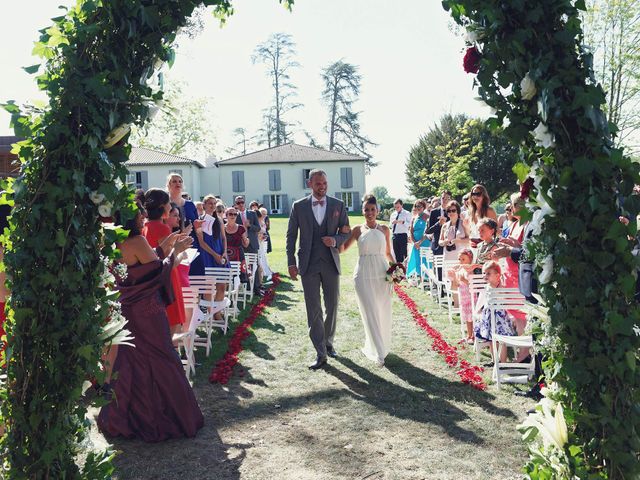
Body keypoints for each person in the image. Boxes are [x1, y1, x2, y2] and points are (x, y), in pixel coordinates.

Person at [97, 206, 204, 442]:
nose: (143, 216)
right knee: (161, 355)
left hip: (126, 310)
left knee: (129, 360)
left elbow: (141, 268)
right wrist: (175, 251)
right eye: (139, 214)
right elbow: (158, 273)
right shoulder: (136, 240)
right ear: (129, 218)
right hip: (148, 311)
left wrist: (164, 247)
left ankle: (124, 416)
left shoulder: (111, 244)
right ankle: (170, 415)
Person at [286, 169, 350, 370]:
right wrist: (291, 262)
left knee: (332, 306)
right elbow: (290, 236)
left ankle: (328, 342)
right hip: (308, 264)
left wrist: (335, 240)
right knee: (313, 309)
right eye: (318, 184)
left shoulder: (338, 205)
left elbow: (346, 232)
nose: (322, 187)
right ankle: (320, 352)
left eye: (324, 184)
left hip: (331, 263)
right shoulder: (298, 207)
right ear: (309, 184)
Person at [340, 195, 394, 367]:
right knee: (369, 312)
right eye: (366, 210)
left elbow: (388, 253)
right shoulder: (357, 230)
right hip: (363, 274)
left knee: (382, 310)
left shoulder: (385, 229)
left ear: (377, 210)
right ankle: (379, 353)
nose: (370, 213)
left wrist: (396, 268)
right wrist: (339, 234)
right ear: (362, 211)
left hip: (381, 274)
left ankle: (382, 346)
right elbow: (342, 249)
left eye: (372, 209)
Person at [142, 189, 187, 336]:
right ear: (162, 205)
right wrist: (181, 253)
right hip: (167, 282)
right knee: (170, 331)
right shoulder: (161, 228)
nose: (170, 206)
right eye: (168, 203)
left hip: (153, 281)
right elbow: (169, 263)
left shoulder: (145, 226)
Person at [473, 261, 516, 364]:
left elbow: (506, 301)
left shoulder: (501, 287)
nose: (485, 275)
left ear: (497, 275)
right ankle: (494, 360)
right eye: (484, 273)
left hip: (500, 317)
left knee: (501, 341)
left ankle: (503, 361)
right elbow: (482, 300)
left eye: (488, 273)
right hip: (488, 316)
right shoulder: (487, 287)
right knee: (490, 340)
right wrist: (478, 310)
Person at [235, 195, 263, 296]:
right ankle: (246, 288)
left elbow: (258, 228)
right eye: (238, 203)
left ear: (245, 203)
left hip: (252, 244)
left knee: (254, 266)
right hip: (241, 245)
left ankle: (256, 289)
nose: (241, 204)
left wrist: (249, 225)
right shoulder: (234, 215)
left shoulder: (252, 214)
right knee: (243, 267)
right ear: (236, 205)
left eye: (242, 202)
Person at [447, 248, 475, 343]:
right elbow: (457, 285)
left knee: (472, 318)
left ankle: (474, 335)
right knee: (467, 318)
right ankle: (469, 335)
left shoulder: (470, 270)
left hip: (471, 297)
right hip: (463, 297)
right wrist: (454, 277)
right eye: (460, 259)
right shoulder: (460, 270)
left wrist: (464, 280)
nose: (461, 261)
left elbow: (472, 284)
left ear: (470, 260)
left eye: (463, 259)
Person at [406, 199, 430, 278]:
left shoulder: (426, 216)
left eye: (419, 206)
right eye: (416, 206)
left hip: (424, 242)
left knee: (424, 260)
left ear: (423, 207)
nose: (418, 207)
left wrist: (420, 242)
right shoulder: (413, 218)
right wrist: (414, 242)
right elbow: (411, 231)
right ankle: (419, 277)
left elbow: (428, 231)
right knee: (416, 260)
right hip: (415, 243)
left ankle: (427, 278)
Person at [389, 198, 411, 264]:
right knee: (397, 255)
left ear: (402, 205)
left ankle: (405, 270)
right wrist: (392, 224)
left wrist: (402, 222)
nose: (396, 208)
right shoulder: (393, 214)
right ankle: (399, 271)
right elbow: (390, 226)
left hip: (403, 236)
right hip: (395, 236)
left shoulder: (407, 213)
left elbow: (410, 225)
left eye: (398, 207)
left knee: (403, 254)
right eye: (395, 207)